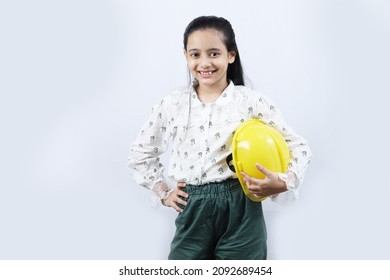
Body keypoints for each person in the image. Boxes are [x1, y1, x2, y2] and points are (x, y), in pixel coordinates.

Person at [127, 15, 312, 260]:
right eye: (195, 54)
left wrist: (285, 181)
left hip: (242, 207)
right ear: (185, 56)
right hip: (192, 207)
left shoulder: (250, 101)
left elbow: (298, 146)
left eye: (214, 53)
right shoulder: (172, 104)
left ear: (231, 55)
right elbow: (140, 153)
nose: (204, 62)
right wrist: (163, 192)